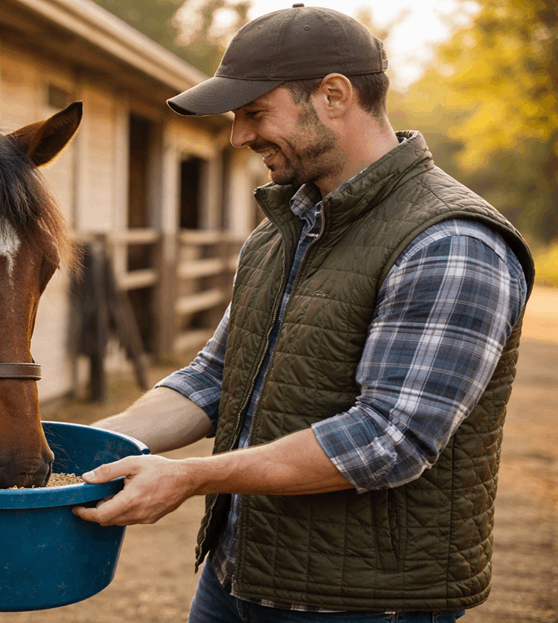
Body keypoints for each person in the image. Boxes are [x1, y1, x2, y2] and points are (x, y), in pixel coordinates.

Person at [71, 4, 535, 622]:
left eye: (255, 112)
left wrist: (189, 478)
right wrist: (85, 445)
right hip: (237, 576)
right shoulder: (282, 230)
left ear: (334, 96)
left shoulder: (449, 240)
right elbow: (214, 378)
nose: (238, 136)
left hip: (366, 600)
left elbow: (388, 438)